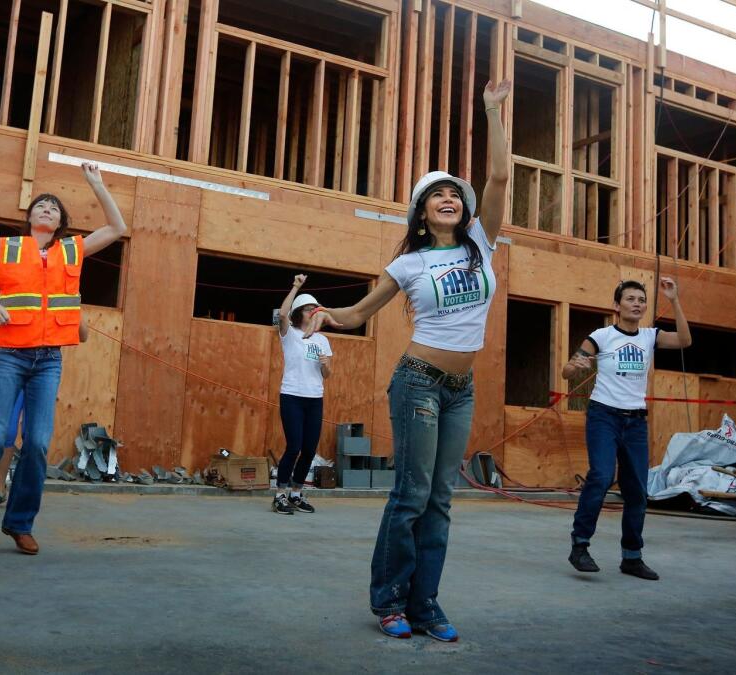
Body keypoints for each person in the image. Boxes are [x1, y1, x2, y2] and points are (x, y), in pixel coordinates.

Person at [303, 80, 511, 642]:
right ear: (421, 213)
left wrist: (492, 110)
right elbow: (355, 315)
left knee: (441, 500)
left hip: (460, 389)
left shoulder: (481, 245)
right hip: (417, 382)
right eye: (436, 195)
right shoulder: (410, 265)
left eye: (454, 194)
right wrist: (323, 315)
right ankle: (390, 601)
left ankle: (427, 606)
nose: (449, 198)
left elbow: (498, 178)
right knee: (412, 495)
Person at [0, 162, 126, 557]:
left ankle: (19, 524)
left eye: (54, 207)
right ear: (30, 217)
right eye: (40, 205)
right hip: (9, 357)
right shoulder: (8, 252)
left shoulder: (73, 250)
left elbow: (117, 228)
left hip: (48, 361)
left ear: (61, 221)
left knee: (35, 444)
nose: (47, 208)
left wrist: (97, 185)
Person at [561, 277, 691, 580]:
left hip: (635, 422)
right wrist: (575, 367)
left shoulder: (649, 336)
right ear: (617, 306)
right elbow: (568, 370)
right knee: (601, 476)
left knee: (637, 491)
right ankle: (579, 545)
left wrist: (673, 300)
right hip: (603, 416)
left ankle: (632, 557)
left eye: (641, 300)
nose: (637, 304)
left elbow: (684, 341)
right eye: (630, 299)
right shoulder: (601, 337)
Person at [0, 315, 88, 510]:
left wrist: (74, 308)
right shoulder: (17, 290)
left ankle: (21, 500)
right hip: (12, 367)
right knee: (6, 433)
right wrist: (6, 351)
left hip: (41, 371)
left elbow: (83, 335)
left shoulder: (61, 291)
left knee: (35, 439)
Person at [272, 274, 333, 516]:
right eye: (308, 309)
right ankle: (280, 494)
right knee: (294, 446)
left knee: (309, 449)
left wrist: (326, 364)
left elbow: (327, 375)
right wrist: (296, 286)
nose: (313, 312)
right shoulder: (290, 334)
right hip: (292, 396)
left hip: (314, 398)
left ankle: (296, 493)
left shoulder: (323, 340)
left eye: (315, 309)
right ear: (300, 312)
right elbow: (282, 315)